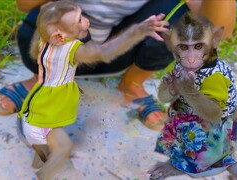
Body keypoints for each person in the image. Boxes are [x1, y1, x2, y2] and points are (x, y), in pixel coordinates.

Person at [0, 0, 237, 131]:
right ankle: (41, 77)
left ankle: (132, 84)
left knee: (182, 20)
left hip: (117, 48)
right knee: (48, 13)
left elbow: (215, 29)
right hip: (62, 42)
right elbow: (25, 3)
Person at [15, 1, 169, 179]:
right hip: (47, 110)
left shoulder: (40, 45)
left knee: (46, 143)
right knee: (64, 148)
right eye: (79, 20)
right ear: (59, 36)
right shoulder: (71, 50)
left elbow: (46, 18)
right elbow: (105, 52)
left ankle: (39, 158)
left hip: (39, 100)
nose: (86, 22)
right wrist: (139, 30)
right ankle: (43, 175)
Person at [148, 12, 237, 179]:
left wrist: (188, 90)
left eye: (198, 46)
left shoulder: (215, 75)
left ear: (214, 40)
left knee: (198, 151)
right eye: (184, 47)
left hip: (214, 127)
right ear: (170, 43)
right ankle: (215, 161)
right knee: (182, 136)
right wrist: (172, 89)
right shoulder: (182, 63)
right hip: (190, 116)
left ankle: (190, 166)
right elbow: (164, 98)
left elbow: (214, 115)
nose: (191, 59)